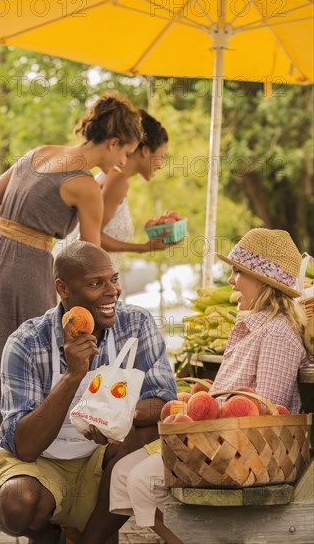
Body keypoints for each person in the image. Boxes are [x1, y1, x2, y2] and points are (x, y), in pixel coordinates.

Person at [0, 91, 143, 528]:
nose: (121, 164)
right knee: (33, 373)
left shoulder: (36, 153)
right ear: (113, 141)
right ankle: (21, 484)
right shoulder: (86, 185)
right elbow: (90, 258)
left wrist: (12, 237)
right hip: (32, 270)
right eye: (125, 152)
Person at [108, 228, 310, 542]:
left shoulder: (278, 334)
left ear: (263, 280)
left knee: (139, 479)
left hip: (242, 449)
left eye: (237, 272)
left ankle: (189, 536)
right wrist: (201, 397)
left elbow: (265, 412)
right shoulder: (250, 326)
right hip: (217, 437)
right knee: (122, 474)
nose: (230, 280)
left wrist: (208, 409)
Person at [0, 240, 177, 543]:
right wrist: (73, 375)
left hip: (102, 458)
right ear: (63, 288)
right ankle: (49, 530)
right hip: (42, 460)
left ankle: (89, 538)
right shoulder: (28, 342)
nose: (112, 291)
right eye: (96, 283)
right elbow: (26, 446)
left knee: (148, 432)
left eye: (114, 279)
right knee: (18, 505)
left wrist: (116, 416)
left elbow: (164, 401)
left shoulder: (136, 324)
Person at [53, 109, 173, 270]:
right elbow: (92, 237)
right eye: (161, 157)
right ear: (145, 151)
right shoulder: (118, 181)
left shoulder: (109, 175)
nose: (160, 164)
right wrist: (143, 248)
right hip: (81, 272)